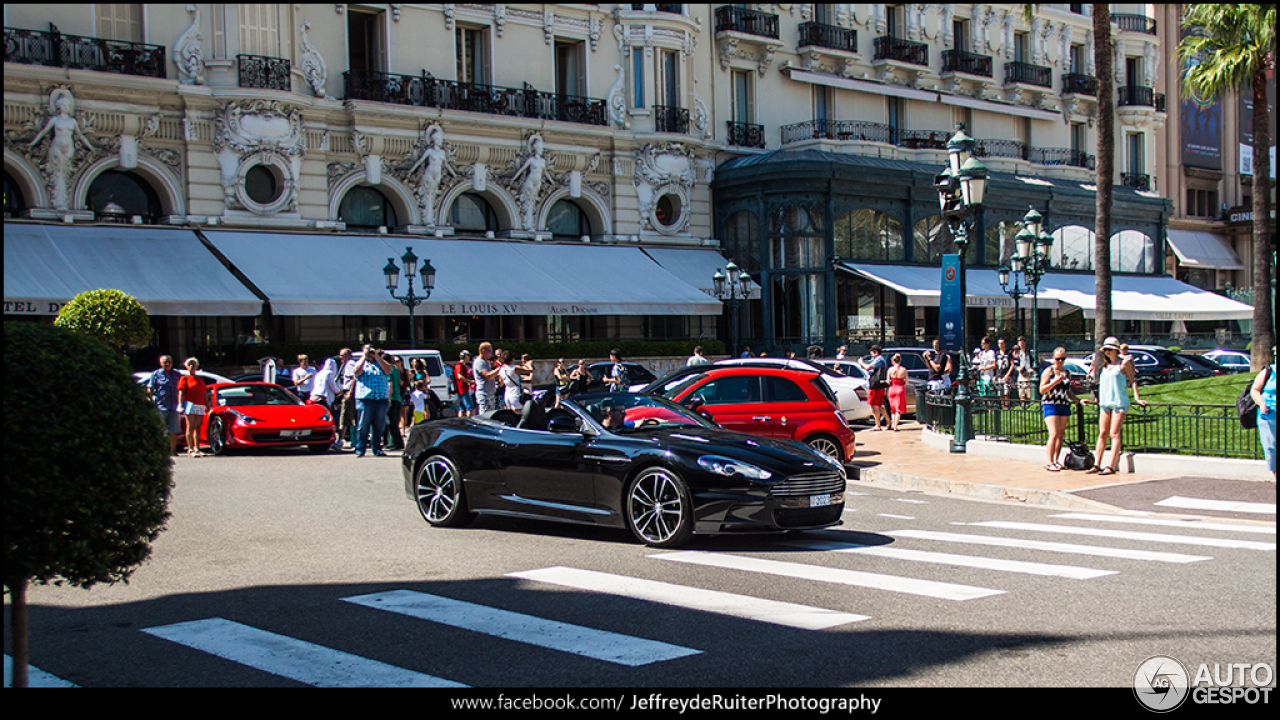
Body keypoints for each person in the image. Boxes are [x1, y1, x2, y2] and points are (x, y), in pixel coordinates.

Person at [1082, 336, 1147, 475]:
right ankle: (1096, 464)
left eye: (1110, 349)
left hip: (1119, 402)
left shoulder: (1123, 364)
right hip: (1105, 402)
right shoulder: (1105, 366)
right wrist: (1093, 399)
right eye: (1106, 350)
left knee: (1114, 433)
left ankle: (1111, 465)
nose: (1107, 352)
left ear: (1116, 350)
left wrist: (1137, 398)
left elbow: (1132, 381)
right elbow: (1101, 386)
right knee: (1102, 433)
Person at [1039, 347, 1082, 472]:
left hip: (1063, 404)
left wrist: (1078, 400)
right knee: (1053, 433)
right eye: (1058, 359)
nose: (1060, 362)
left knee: (1060, 434)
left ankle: (1056, 460)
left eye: (1063, 359)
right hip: (1050, 403)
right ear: (1054, 358)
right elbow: (1042, 390)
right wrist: (1055, 382)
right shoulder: (1049, 371)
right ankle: (1050, 462)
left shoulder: (1066, 372)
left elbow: (1068, 392)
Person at [351, 345, 393, 458]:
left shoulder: (381, 363)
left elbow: (388, 370)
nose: (370, 353)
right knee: (363, 425)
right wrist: (364, 356)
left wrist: (377, 356)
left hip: (381, 398)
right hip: (365, 399)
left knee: (379, 425)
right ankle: (360, 449)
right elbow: (356, 371)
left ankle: (377, 449)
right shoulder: (361, 363)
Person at [146, 355, 184, 456]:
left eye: (169, 362)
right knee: (160, 429)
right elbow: (151, 388)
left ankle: (173, 450)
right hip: (161, 405)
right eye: (165, 362)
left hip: (175, 406)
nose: (167, 364)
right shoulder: (156, 374)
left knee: (174, 430)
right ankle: (161, 450)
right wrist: (150, 400)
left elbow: (182, 388)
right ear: (160, 363)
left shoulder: (177, 374)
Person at [1250, 352, 1276, 477]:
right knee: (1271, 448)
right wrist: (1261, 403)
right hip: (1268, 418)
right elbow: (1255, 390)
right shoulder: (1268, 372)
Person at [308, 357, 342, 449]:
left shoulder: (320, 373)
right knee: (329, 419)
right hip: (324, 399)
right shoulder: (329, 373)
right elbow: (333, 387)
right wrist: (340, 392)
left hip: (314, 397)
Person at [177, 357, 208, 457]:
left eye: (194, 364)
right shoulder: (184, 378)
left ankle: (197, 448)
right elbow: (181, 393)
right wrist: (181, 405)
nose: (192, 366)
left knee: (198, 426)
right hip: (190, 405)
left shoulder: (200, 379)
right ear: (186, 366)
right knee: (190, 426)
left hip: (200, 404)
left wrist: (207, 404)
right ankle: (190, 449)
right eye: (190, 364)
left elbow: (204, 392)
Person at [857, 345, 889, 431]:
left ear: (875, 352)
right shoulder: (879, 360)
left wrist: (861, 361)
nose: (871, 354)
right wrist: (862, 364)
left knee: (874, 405)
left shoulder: (879, 359)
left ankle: (878, 425)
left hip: (874, 385)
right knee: (878, 405)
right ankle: (888, 422)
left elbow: (867, 367)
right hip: (876, 385)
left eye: (872, 353)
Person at [472, 342, 501, 413]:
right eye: (490, 351)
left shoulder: (485, 362)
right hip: (484, 394)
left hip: (490, 394)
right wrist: (500, 369)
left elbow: (493, 375)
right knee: (485, 417)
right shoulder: (479, 362)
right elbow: (488, 376)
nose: (491, 353)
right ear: (483, 351)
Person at [886, 353, 909, 431]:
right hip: (900, 388)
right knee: (898, 409)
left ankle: (892, 424)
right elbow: (906, 382)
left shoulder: (890, 369)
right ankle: (895, 426)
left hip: (892, 389)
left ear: (893, 361)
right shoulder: (904, 370)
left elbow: (888, 381)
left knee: (893, 409)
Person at [454, 350, 475, 417]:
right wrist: (470, 382)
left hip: (462, 390)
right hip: (463, 389)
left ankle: (461, 423)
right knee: (470, 408)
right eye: (468, 356)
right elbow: (459, 377)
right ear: (466, 356)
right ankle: (470, 422)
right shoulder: (459, 366)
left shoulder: (461, 365)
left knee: (462, 408)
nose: (469, 358)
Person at [1015, 336, 1036, 400]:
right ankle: (1023, 406)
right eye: (1020, 342)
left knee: (1029, 393)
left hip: (1028, 374)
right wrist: (1018, 368)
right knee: (1021, 393)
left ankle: (1029, 407)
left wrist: (1032, 369)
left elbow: (1035, 361)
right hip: (1021, 375)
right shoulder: (1018, 353)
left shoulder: (1029, 352)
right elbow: (1016, 364)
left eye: (1022, 342)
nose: (1021, 344)